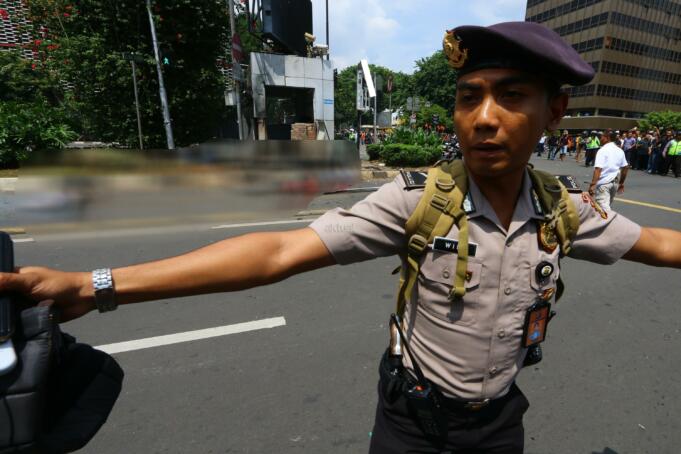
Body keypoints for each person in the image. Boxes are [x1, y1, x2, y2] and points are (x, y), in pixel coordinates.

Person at [2, 21, 681, 454]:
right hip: (411, 425)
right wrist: (96, 285)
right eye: (468, 95)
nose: (482, 117)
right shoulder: (420, 200)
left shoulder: (563, 210)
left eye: (510, 96)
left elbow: (660, 244)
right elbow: (276, 252)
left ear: (553, 110)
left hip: (498, 424)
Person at [588, 131, 629, 211]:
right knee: (605, 206)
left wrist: (592, 185)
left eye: (602, 137)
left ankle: (613, 222)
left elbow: (598, 169)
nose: (600, 139)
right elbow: (625, 167)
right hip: (615, 183)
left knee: (604, 211)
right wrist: (621, 183)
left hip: (604, 184)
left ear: (607, 138)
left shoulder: (602, 150)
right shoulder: (619, 150)